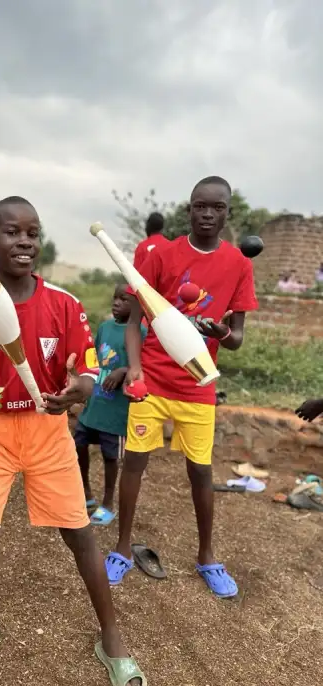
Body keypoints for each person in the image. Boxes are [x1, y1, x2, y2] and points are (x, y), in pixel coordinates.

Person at [0, 196, 147, 686]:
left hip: (47, 430)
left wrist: (82, 386)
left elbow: (88, 368)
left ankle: (111, 635)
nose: (25, 241)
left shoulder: (63, 303)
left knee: (80, 538)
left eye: (32, 232)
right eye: (12, 233)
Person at [106, 176, 259, 598]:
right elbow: (135, 321)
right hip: (152, 381)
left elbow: (238, 337)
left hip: (198, 386)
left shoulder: (239, 265)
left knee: (201, 471)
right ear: (188, 209)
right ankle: (121, 548)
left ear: (228, 211)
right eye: (199, 206)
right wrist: (134, 368)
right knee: (134, 463)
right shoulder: (162, 255)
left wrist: (222, 332)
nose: (208, 214)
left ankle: (207, 556)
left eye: (217, 207)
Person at [74, 286, 147, 525]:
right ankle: (85, 492)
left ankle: (107, 503)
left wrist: (123, 370)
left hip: (116, 412)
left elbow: (144, 365)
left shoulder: (141, 332)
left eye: (123, 300)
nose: (116, 303)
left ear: (137, 306)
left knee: (110, 457)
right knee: (77, 446)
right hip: (95, 404)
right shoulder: (105, 328)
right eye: (115, 298)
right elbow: (93, 360)